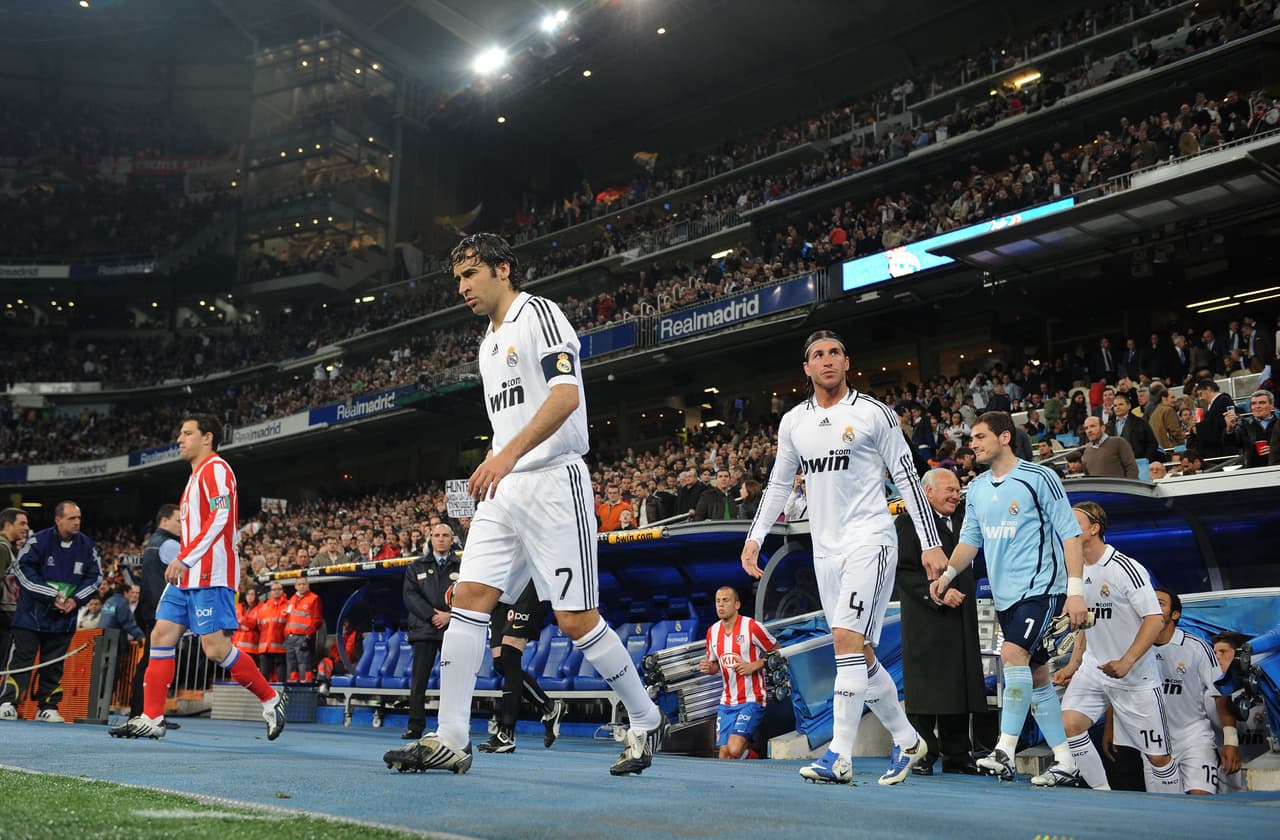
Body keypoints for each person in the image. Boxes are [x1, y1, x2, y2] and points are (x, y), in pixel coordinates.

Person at [383, 233, 664, 776]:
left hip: (554, 482)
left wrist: (507, 455)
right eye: (458, 279)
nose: (462, 287)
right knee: (468, 600)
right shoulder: (487, 344)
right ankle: (451, 738)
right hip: (505, 487)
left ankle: (645, 716)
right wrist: (494, 461)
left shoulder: (540, 314)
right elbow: (509, 423)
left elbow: (565, 396)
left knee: (575, 620)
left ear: (503, 269)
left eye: (470, 274)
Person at [742, 329, 947, 786]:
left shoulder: (874, 413)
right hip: (826, 551)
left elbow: (908, 477)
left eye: (835, 352)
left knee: (845, 642)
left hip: (870, 540)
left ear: (847, 362)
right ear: (807, 368)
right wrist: (755, 536)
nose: (827, 360)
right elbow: (778, 484)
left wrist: (930, 541)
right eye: (818, 354)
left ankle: (838, 754)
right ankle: (908, 740)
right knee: (860, 652)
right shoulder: (794, 422)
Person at [929, 411, 1089, 786]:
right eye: (971, 438)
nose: (973, 444)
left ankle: (1004, 751)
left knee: (1012, 655)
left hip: (1043, 589)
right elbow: (970, 541)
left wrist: (1076, 592)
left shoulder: (1039, 478)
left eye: (980, 437)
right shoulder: (977, 489)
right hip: (1005, 598)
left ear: (1004, 437)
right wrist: (947, 575)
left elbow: (1070, 534)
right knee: (1037, 676)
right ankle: (1066, 761)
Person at [109, 414, 286, 740]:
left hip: (210, 575)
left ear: (207, 438)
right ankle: (152, 717)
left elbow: (222, 515)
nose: (180, 439)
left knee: (216, 650)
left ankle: (271, 698)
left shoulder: (217, 469)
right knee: (161, 635)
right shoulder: (193, 478)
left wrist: (186, 557)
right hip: (188, 575)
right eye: (180, 433)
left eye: (187, 433)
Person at [1049, 502, 1177, 792]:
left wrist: (1127, 661)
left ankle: (1174, 812)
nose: (1065, 528)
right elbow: (1088, 621)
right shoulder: (1074, 570)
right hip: (1094, 669)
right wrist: (1074, 663)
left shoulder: (1125, 568)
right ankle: (1102, 796)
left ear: (1094, 529)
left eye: (1074, 523)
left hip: (1135, 674)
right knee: (1068, 724)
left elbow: (1155, 619)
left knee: (1158, 758)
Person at [893, 469, 984, 776]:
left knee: (959, 685)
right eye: (949, 489)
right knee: (925, 689)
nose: (955, 495)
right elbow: (903, 572)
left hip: (961, 616)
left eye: (957, 490)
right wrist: (938, 595)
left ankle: (957, 754)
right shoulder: (908, 524)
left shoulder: (965, 521)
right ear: (927, 492)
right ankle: (922, 753)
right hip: (926, 619)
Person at [0, 501, 102, 723]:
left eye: (79, 518)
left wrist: (75, 600)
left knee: (54, 664)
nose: (77, 522)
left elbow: (95, 577)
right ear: (58, 520)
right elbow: (22, 570)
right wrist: (51, 595)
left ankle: (47, 706)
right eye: (71, 518)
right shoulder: (38, 541)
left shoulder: (87, 545)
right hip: (30, 617)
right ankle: (8, 703)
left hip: (64, 618)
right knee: (21, 659)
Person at [1149, 588, 1228, 794]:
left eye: (1160, 603)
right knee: (1164, 809)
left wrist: (1230, 740)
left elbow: (1220, 693)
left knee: (1202, 801)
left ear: (1175, 614)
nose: (1153, 606)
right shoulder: (1135, 649)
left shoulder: (1197, 647)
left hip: (1194, 738)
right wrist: (1111, 727)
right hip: (1153, 744)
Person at [478, 581, 566, 754]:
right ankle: (550, 708)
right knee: (500, 663)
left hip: (526, 584)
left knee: (509, 655)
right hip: (499, 588)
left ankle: (506, 733)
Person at [697, 586, 777, 760]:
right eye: (718, 601)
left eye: (726, 600)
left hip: (752, 698)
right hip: (727, 702)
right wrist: (710, 669)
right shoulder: (712, 631)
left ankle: (759, 762)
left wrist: (755, 665)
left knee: (734, 750)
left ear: (737, 605)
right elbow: (715, 665)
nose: (721, 605)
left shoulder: (752, 627)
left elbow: (779, 653)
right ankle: (749, 763)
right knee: (724, 756)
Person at [401, 524, 460, 740]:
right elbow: (410, 596)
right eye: (437, 535)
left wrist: (450, 615)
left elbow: (468, 595)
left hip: (452, 630)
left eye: (445, 535)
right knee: (419, 682)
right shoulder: (415, 566)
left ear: (452, 539)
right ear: (431, 539)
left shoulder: (463, 566)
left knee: (453, 682)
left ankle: (453, 726)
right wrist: (432, 615)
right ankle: (415, 726)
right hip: (424, 630)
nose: (441, 539)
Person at [128, 504, 179, 720]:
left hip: (149, 609)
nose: (183, 525)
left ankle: (145, 713)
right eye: (179, 521)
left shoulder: (153, 543)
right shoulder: (170, 545)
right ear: (164, 521)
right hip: (162, 612)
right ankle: (145, 713)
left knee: (150, 662)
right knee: (153, 663)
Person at [0, 508, 31, 664]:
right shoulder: (2, 548)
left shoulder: (7, 548)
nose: (26, 528)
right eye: (22, 523)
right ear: (7, 525)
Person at [1225, 389, 1279, 468]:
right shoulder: (1245, 424)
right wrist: (1229, 428)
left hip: (1276, 468)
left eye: (1262, 403)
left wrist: (1275, 450)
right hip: (1253, 469)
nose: (1257, 406)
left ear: (1271, 405)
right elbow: (1232, 445)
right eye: (1254, 403)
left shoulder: (1278, 423)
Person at [283, 577, 322, 681]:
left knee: (304, 663)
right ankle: (292, 683)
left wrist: (308, 634)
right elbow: (288, 617)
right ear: (295, 586)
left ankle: (306, 684)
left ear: (308, 585)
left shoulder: (313, 598)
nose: (302, 586)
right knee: (291, 663)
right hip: (290, 637)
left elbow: (317, 619)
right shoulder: (292, 599)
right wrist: (286, 633)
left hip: (303, 636)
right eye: (299, 584)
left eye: (304, 584)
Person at [255, 581, 289, 681]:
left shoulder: (288, 606)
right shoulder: (264, 607)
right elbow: (260, 626)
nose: (276, 591)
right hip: (265, 648)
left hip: (281, 648)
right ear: (270, 591)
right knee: (264, 677)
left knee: (281, 678)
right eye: (274, 589)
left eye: (279, 589)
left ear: (282, 591)